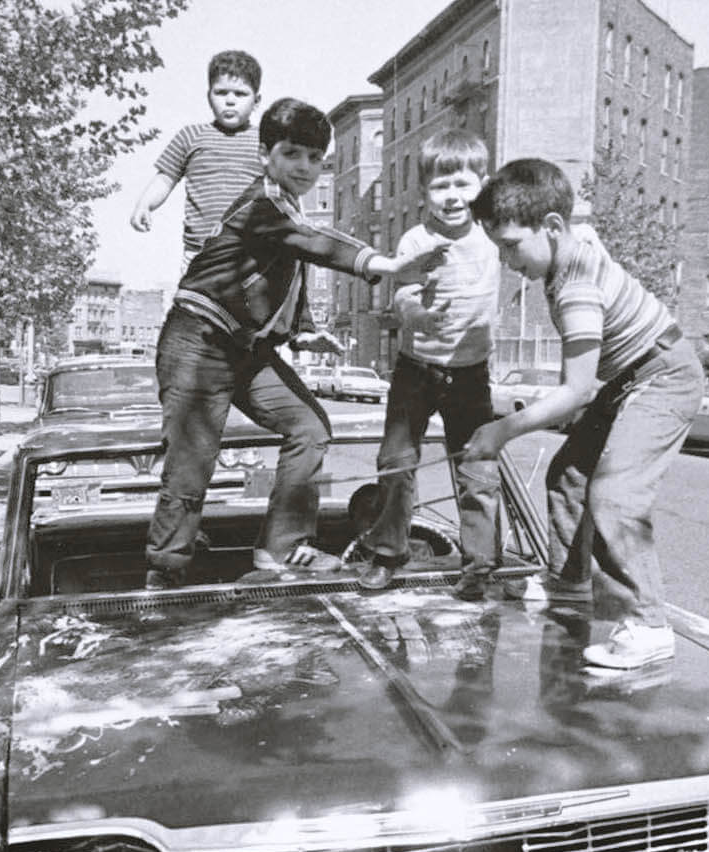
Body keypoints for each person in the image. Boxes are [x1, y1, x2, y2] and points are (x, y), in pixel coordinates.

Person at [144, 97, 447, 590]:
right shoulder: (261, 207)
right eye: (292, 155)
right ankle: (165, 572)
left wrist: (304, 331)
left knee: (309, 427)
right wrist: (384, 264)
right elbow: (312, 243)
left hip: (243, 351)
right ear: (265, 155)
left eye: (314, 158)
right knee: (191, 465)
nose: (305, 167)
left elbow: (279, 277)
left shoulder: (285, 208)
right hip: (196, 344)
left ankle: (281, 548)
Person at [461, 158, 704, 671]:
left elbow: (574, 391)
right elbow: (581, 223)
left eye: (510, 245)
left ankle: (649, 623)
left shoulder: (575, 286)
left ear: (550, 227)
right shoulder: (572, 242)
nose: (507, 261)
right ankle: (570, 585)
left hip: (665, 376)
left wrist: (500, 432)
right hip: (629, 377)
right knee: (568, 475)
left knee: (615, 494)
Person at [357, 129, 502, 601]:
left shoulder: (494, 235)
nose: (453, 196)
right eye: (440, 187)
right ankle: (387, 553)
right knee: (396, 462)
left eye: (463, 184)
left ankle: (480, 563)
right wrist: (416, 314)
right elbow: (402, 291)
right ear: (424, 193)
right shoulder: (418, 238)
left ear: (483, 182)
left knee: (477, 466)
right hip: (416, 368)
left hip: (471, 372)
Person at [130, 50, 265, 273]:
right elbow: (165, 178)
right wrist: (144, 205)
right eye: (221, 92)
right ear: (209, 96)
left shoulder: (266, 141)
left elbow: (284, 187)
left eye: (240, 94)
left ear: (256, 100)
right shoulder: (191, 136)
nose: (230, 101)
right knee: (194, 307)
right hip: (199, 253)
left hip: (251, 252)